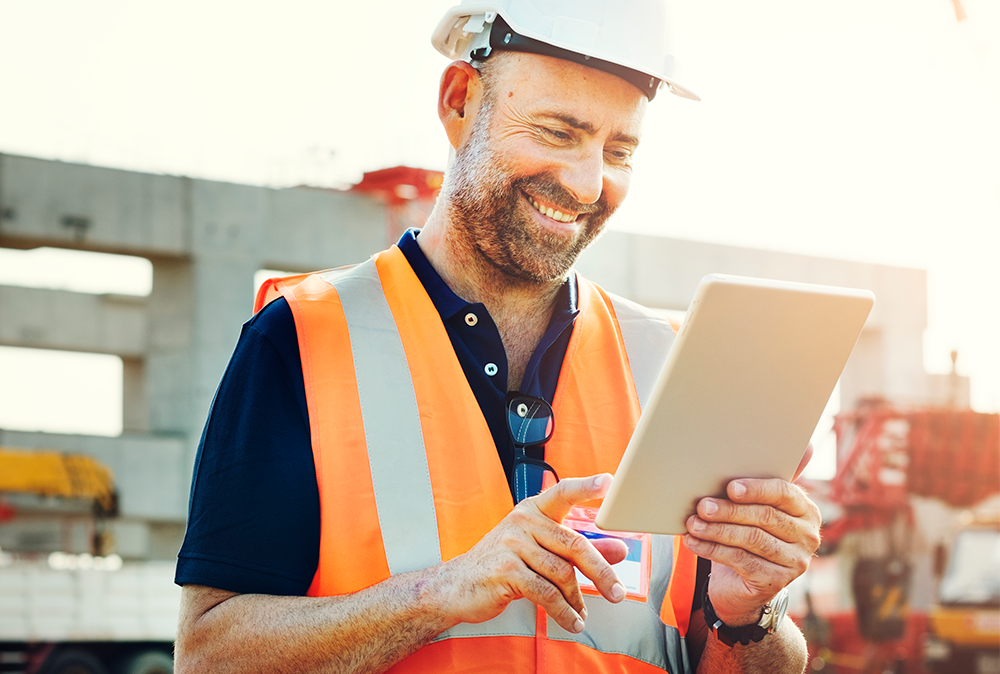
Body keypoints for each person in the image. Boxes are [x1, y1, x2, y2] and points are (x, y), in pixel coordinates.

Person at [174, 1, 822, 672]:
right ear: (459, 103)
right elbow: (208, 658)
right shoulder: (305, 339)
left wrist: (750, 612)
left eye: (619, 150)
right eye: (556, 131)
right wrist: (441, 593)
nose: (587, 182)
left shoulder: (667, 366)